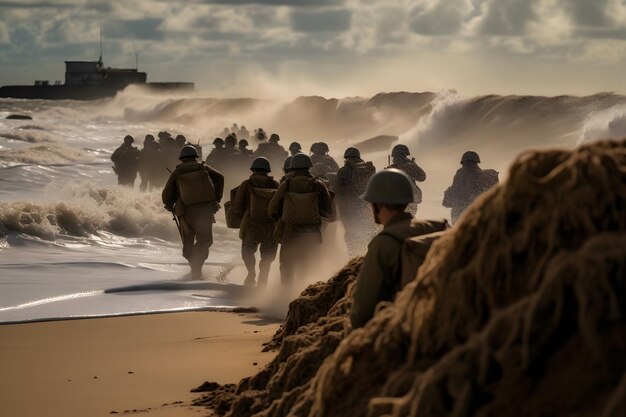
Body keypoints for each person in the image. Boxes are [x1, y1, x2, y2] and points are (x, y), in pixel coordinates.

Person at [350, 169, 448, 328]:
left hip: (407, 326)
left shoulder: (383, 243)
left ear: (378, 205)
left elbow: (363, 311)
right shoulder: (437, 227)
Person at [268, 153, 333, 286]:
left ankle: (286, 295)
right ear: (309, 167)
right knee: (309, 266)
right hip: (312, 232)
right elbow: (329, 212)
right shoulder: (319, 185)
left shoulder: (285, 185)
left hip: (290, 232)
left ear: (293, 168)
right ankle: (305, 293)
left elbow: (272, 209)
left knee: (286, 265)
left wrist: (279, 218)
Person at [162, 146, 224, 279]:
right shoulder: (203, 167)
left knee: (188, 243)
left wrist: (169, 205)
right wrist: (216, 198)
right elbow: (220, 178)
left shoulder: (178, 171)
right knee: (205, 241)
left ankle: (195, 271)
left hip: (184, 211)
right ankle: (197, 269)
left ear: (182, 158)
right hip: (204, 211)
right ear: (195, 156)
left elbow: (166, 194)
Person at [231, 157, 280, 287]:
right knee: (267, 257)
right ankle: (263, 279)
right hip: (270, 226)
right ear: (267, 170)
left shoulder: (246, 184)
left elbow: (236, 207)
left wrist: (246, 215)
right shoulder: (276, 185)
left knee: (247, 251)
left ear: (253, 169)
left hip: (251, 225)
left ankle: (251, 274)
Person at [335, 147, 377, 256]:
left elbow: (337, 192)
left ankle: (355, 263)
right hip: (368, 211)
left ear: (346, 158)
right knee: (368, 239)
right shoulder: (369, 170)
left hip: (351, 213)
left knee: (353, 242)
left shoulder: (344, 171)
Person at [443, 151, 499, 225]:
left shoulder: (462, 174)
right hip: (486, 214)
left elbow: (451, 198)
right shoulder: (490, 174)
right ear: (477, 161)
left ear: (463, 163)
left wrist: (448, 193)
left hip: (467, 216)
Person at [386, 144, 426, 215]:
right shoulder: (409, 166)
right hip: (410, 202)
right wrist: (415, 165)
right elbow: (422, 177)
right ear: (405, 155)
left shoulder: (393, 168)